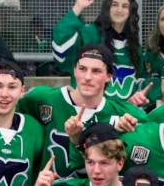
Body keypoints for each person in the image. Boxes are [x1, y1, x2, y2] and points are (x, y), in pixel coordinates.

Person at [16, 43, 147, 178]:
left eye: (96, 71)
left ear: (109, 76)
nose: (88, 77)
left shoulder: (122, 112)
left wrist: (130, 129)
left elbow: (160, 125)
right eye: (83, 69)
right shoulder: (42, 98)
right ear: (74, 70)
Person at [53, 0, 150, 104]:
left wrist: (137, 97)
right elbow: (61, 48)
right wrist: (78, 7)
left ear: (131, 11)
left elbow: (141, 80)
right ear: (107, 7)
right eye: (114, 5)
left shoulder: (134, 47)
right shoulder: (90, 33)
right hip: (89, 110)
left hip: (123, 115)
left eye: (125, 6)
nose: (119, 10)